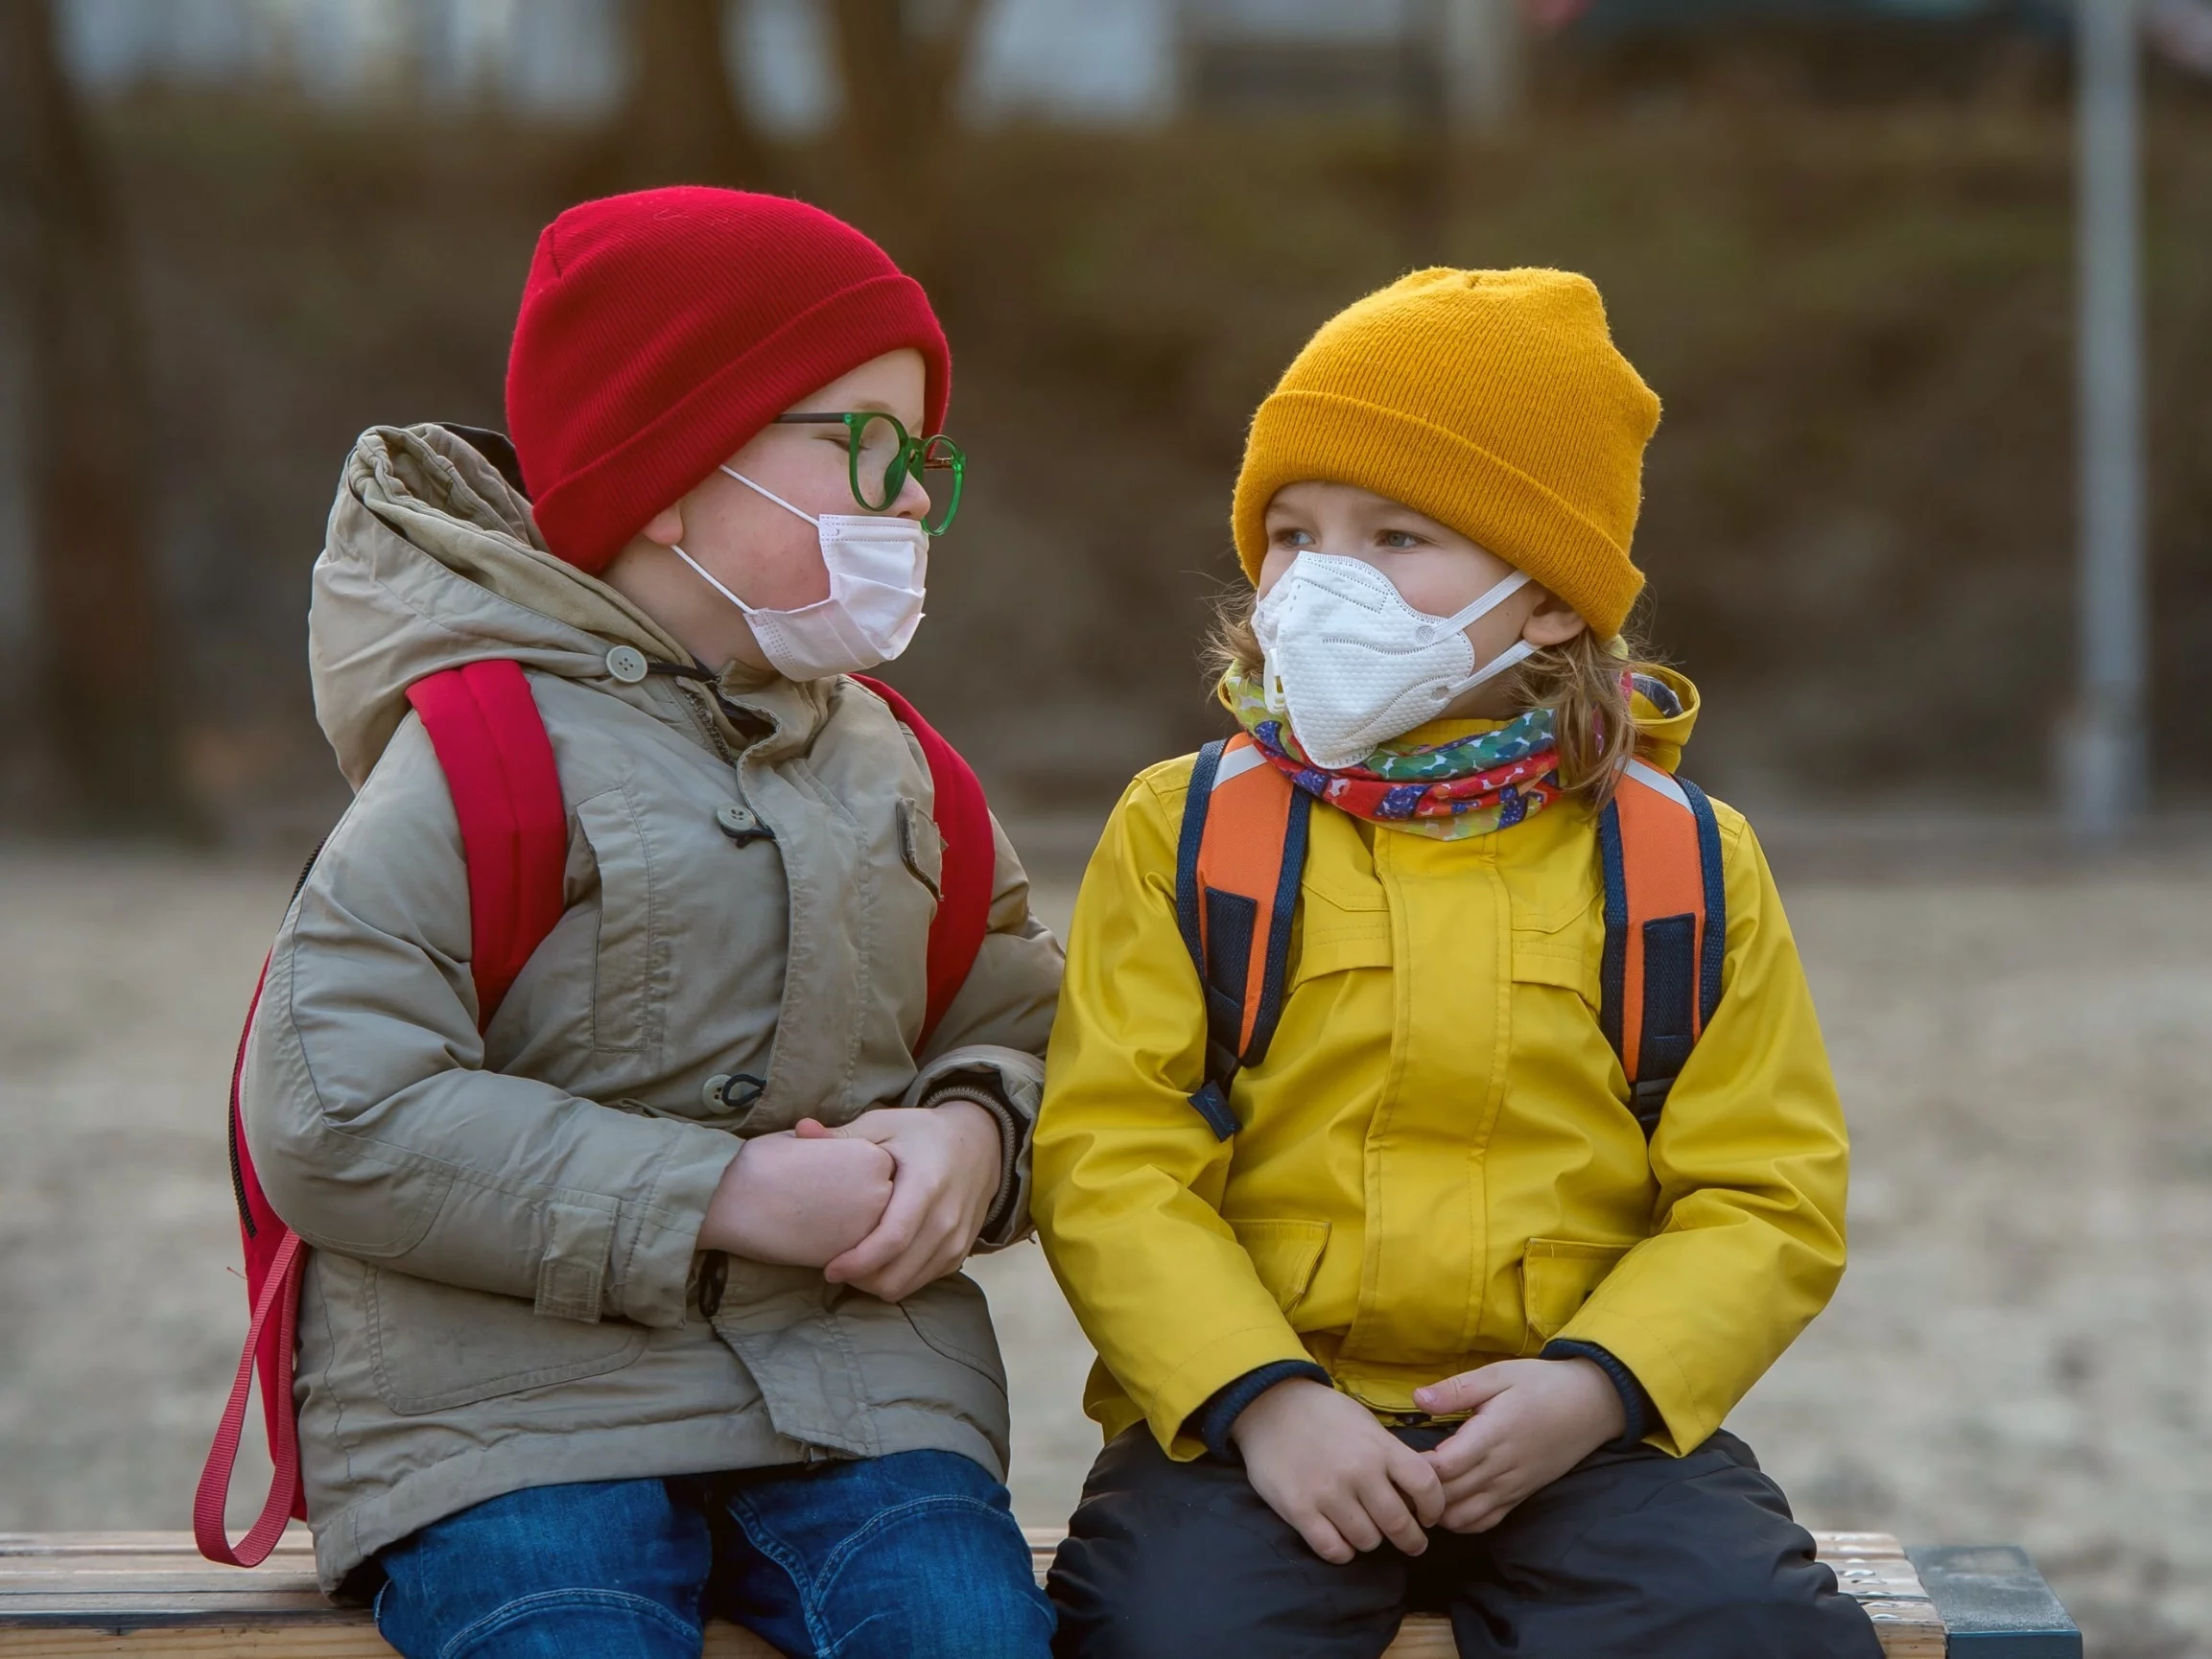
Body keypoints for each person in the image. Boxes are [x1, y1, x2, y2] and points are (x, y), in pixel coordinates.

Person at [242, 187, 1060, 1659]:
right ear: (673, 474)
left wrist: (976, 1138)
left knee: (966, 1629)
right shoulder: (484, 752)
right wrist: (713, 1197)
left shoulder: (903, 766)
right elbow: (332, 1103)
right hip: (504, 1418)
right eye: (865, 449)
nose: (910, 504)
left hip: (858, 1401)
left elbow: (1024, 1018)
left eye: (925, 460)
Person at [1033, 268, 1879, 1659]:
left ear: (1547, 599)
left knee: (1742, 1630)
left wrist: (1601, 1385)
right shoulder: (1183, 829)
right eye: (1292, 534)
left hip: (1582, 1430)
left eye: (1397, 536)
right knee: (1162, 1632)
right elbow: (1106, 1157)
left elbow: (1764, 1191)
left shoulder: (1680, 855)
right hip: (1249, 1431)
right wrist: (1256, 1393)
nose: (1321, 583)